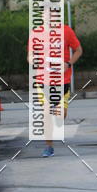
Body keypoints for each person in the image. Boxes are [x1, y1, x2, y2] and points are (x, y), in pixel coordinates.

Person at [27, 14, 82, 157]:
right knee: (46, 114)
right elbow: (30, 55)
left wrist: (68, 63)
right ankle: (48, 147)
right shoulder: (36, 33)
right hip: (42, 80)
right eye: (45, 15)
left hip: (62, 80)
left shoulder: (66, 31)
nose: (48, 18)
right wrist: (33, 60)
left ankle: (57, 120)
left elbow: (79, 50)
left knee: (59, 116)